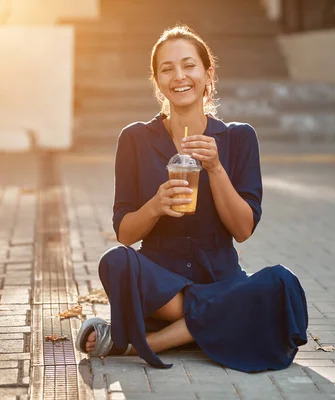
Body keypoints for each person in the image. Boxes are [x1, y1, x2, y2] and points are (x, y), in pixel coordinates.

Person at [74, 24, 309, 372]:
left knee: (282, 283)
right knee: (116, 261)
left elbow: (243, 229)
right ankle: (220, 321)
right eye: (166, 69)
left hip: (221, 279)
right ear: (157, 81)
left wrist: (215, 168)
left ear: (207, 73)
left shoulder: (239, 138)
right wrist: (155, 206)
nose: (179, 76)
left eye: (189, 65)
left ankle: (140, 342)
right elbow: (125, 233)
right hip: (162, 287)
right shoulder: (135, 138)